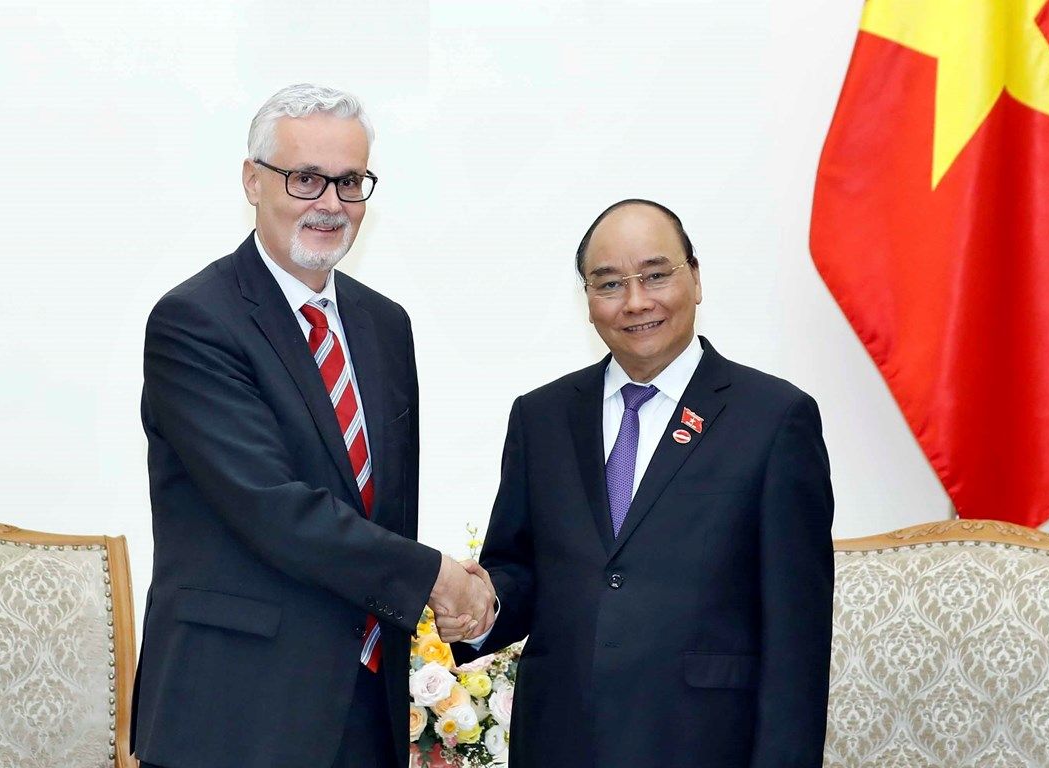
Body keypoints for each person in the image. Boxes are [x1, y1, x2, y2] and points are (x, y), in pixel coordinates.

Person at [131, 83, 493, 768]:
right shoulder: (196, 321)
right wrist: (436, 578)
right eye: (305, 178)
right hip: (233, 715)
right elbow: (272, 508)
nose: (330, 203)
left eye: (350, 181)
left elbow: (386, 511)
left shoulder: (385, 325)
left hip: (365, 706)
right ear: (252, 181)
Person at [446, 199, 834, 768]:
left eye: (655, 275)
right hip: (561, 740)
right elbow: (520, 568)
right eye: (609, 284)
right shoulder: (542, 416)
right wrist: (482, 604)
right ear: (587, 301)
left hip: (703, 744)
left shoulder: (774, 419)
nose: (635, 302)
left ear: (695, 278)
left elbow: (797, 635)